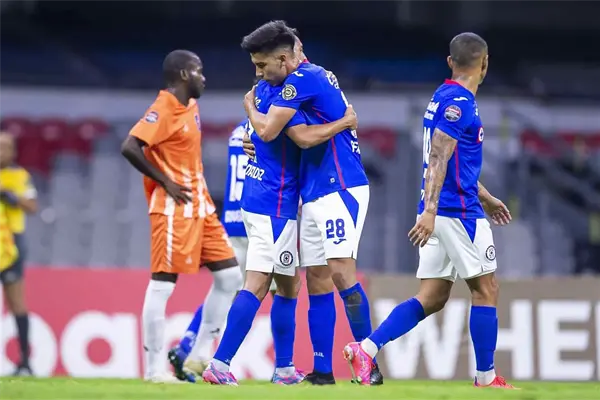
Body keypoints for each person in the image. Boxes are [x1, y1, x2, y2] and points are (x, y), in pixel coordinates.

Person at [343, 32, 515, 389]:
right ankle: (486, 379)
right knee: (486, 289)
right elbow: (438, 155)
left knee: (433, 296)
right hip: (456, 212)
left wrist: (484, 196)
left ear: (450, 62)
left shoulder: (442, 97)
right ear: (484, 64)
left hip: (443, 208)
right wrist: (431, 211)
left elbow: (453, 162)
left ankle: (366, 349)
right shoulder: (460, 104)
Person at [201, 31, 358, 386]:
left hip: (265, 200)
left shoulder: (268, 91)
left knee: (288, 286)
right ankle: (220, 364)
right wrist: (345, 122)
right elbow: (296, 137)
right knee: (258, 283)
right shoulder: (280, 93)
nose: (258, 73)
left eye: (261, 65)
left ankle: (284, 369)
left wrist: (251, 124)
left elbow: (260, 134)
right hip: (272, 202)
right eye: (256, 66)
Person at [241, 21, 382, 385]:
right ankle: (322, 371)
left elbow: (284, 134)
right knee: (317, 279)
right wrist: (255, 137)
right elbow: (284, 135)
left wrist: (251, 110)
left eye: (262, 65)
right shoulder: (298, 81)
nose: (258, 73)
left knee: (341, 272)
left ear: (283, 59)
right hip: (314, 190)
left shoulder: (304, 79)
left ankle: (369, 363)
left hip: (340, 185)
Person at [121, 50, 242, 384]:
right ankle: (153, 370)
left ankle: (199, 357)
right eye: (199, 71)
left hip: (201, 206)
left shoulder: (190, 106)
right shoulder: (164, 108)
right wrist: (165, 181)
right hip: (174, 209)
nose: (204, 77)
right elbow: (130, 146)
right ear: (185, 74)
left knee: (230, 277)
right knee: (162, 285)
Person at [0, 133, 37, 376]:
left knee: (16, 302)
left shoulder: (20, 176)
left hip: (11, 244)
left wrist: (10, 196)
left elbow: (32, 206)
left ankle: (24, 361)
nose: (1, 152)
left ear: (13, 152)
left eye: (6, 147)